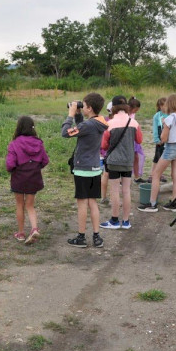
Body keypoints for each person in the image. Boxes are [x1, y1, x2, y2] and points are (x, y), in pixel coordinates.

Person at [61, 93, 108, 248]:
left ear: (89, 107)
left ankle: (81, 237)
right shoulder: (99, 122)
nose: (82, 107)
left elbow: (65, 133)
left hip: (82, 169)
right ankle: (96, 236)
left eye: (84, 105)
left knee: (82, 204)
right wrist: (79, 115)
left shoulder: (88, 125)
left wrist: (70, 115)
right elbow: (84, 130)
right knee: (92, 202)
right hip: (95, 168)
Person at [100, 96, 143, 230]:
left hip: (113, 161)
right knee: (126, 190)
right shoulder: (134, 122)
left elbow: (104, 145)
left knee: (114, 190)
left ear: (113, 108)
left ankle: (114, 220)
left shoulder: (110, 124)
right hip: (128, 161)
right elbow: (139, 140)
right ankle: (126, 221)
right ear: (126, 106)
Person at [138, 94, 176, 213]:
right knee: (175, 175)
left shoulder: (170, 118)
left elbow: (163, 138)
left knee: (156, 174)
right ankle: (174, 203)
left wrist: (165, 125)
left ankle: (152, 204)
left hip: (171, 147)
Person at [6, 116, 49, 245]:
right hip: (34, 177)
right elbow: (45, 160)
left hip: (19, 177)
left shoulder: (14, 144)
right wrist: (35, 167)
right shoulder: (38, 143)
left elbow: (10, 164)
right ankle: (34, 228)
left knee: (20, 204)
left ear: (18, 127)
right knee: (30, 205)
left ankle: (20, 233)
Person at [128, 97, 147, 183]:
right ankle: (123, 178)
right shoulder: (124, 114)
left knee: (136, 157)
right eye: (135, 110)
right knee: (127, 158)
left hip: (133, 137)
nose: (136, 112)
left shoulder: (132, 114)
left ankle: (136, 177)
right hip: (127, 137)